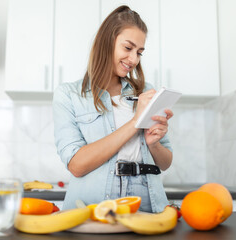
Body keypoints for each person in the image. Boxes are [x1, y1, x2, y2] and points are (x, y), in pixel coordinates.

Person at [53, 5, 173, 213]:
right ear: (106, 42)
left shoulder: (146, 91)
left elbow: (165, 162)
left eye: (139, 52)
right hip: (92, 207)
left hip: (147, 206)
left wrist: (154, 144)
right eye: (128, 48)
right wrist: (136, 122)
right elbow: (77, 165)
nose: (134, 59)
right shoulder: (69, 95)